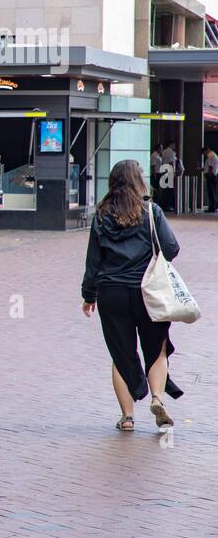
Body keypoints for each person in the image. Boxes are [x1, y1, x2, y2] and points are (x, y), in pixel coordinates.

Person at [81, 159, 184, 432]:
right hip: (148, 292)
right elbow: (171, 248)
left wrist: (88, 295)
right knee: (157, 349)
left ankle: (127, 418)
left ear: (112, 182)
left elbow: (93, 261)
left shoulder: (101, 214)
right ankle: (158, 399)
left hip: (111, 293)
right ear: (139, 180)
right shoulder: (151, 211)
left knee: (121, 353)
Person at [204, 145, 218, 213]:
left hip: (211, 175)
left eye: (204, 153)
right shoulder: (214, 154)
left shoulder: (210, 155)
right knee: (213, 192)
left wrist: (209, 175)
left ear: (206, 150)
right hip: (214, 175)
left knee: (211, 192)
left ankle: (212, 207)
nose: (205, 154)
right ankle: (214, 207)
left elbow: (210, 166)